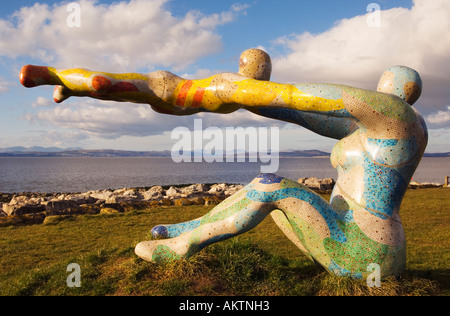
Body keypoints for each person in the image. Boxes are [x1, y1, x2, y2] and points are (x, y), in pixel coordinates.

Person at [20, 48, 428, 279]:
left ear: (401, 96)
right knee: (261, 188)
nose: (383, 91)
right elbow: (291, 110)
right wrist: (248, 94)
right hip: (342, 237)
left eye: (389, 88)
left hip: (370, 250)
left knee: (272, 186)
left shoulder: (400, 123)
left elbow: (297, 97)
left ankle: (181, 248)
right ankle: (188, 228)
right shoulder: (359, 134)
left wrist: (246, 88)